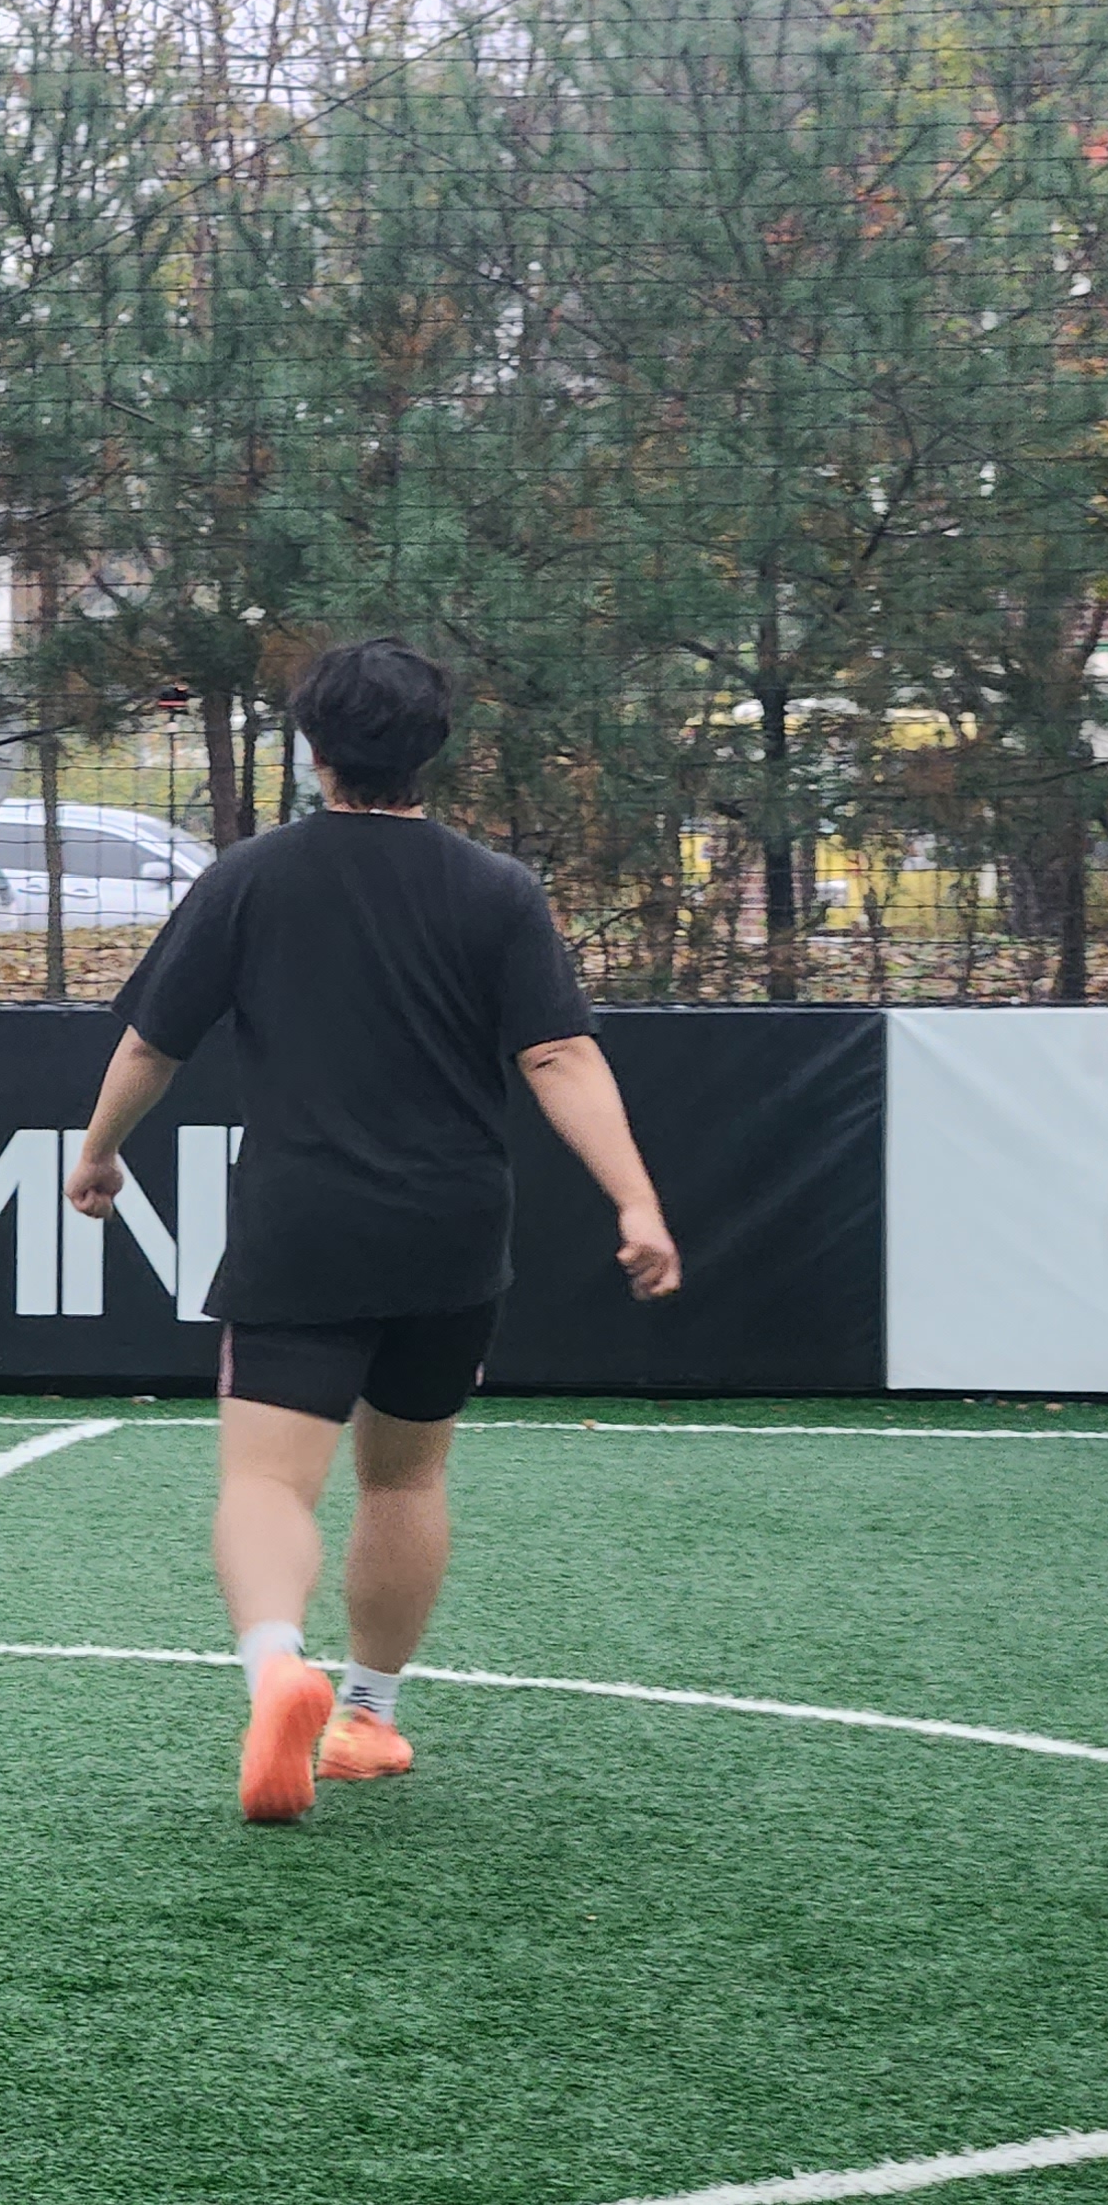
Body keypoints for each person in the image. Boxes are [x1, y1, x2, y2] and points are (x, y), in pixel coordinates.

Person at [67, 638, 679, 1826]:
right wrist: (636, 1200)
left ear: (312, 747)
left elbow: (152, 1041)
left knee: (264, 1479)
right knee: (405, 1475)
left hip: (303, 1224)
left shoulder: (251, 878)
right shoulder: (496, 888)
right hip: (451, 1230)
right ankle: (365, 1714)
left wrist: (97, 1151)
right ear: (433, 749)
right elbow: (558, 1054)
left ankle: (273, 1671)